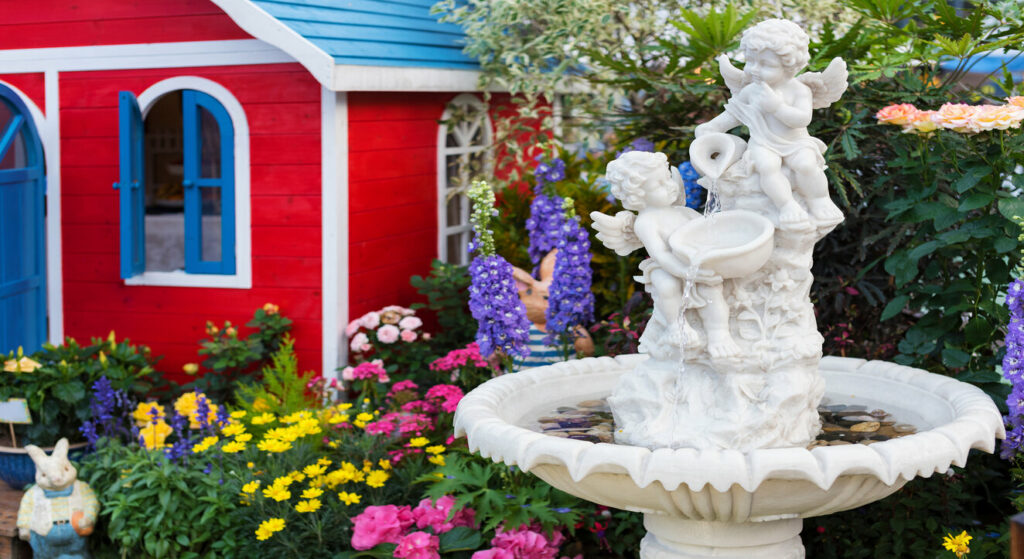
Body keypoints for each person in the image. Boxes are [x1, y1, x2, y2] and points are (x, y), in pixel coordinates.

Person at [695, 19, 844, 228]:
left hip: (796, 142)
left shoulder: (800, 90)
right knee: (767, 167)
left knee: (807, 165)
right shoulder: (751, 91)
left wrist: (777, 107)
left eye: (765, 64)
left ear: (789, 67)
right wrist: (712, 127)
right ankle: (786, 206)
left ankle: (819, 201)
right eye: (750, 61)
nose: (754, 69)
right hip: (763, 143)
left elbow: (802, 119)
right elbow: (734, 114)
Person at [605, 151, 739, 359]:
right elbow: (661, 255)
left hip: (695, 261)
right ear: (637, 195)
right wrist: (686, 272)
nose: (670, 185)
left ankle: (718, 334)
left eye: (668, 178)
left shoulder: (682, 212)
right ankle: (676, 327)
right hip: (666, 266)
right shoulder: (646, 222)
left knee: (712, 291)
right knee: (666, 284)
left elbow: (708, 232)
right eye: (659, 184)